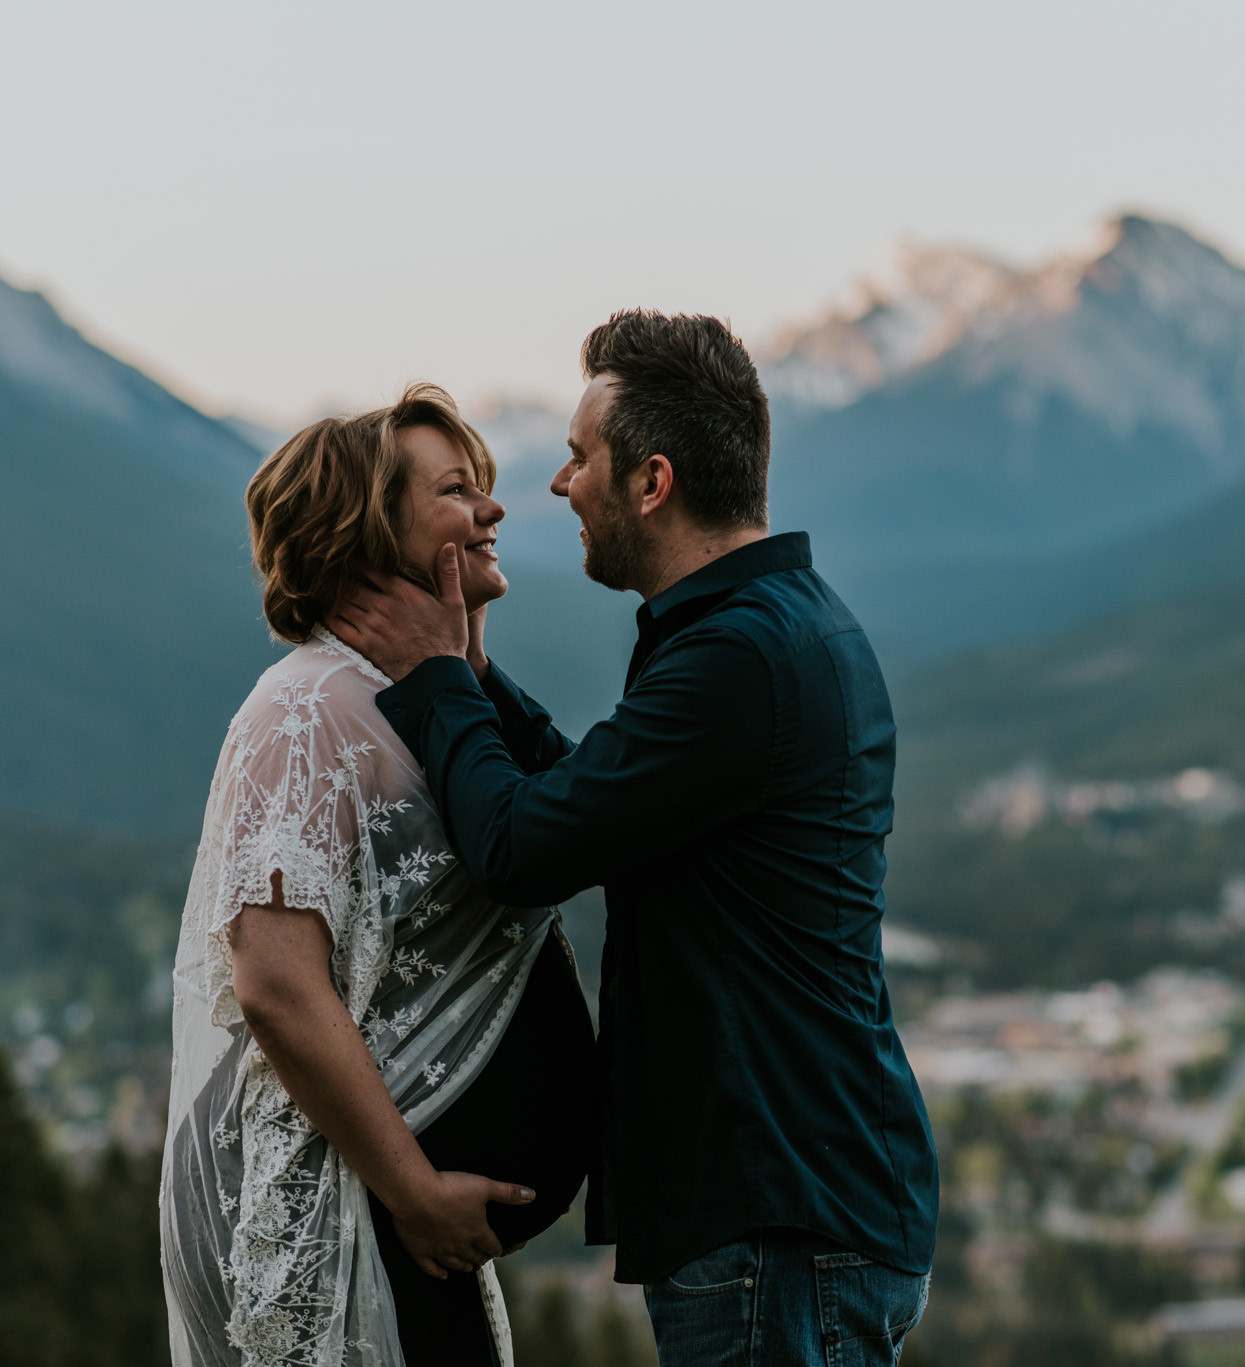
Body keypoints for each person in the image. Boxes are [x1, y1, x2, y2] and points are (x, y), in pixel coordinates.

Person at [332, 312, 939, 1366]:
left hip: (773, 1211)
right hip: (789, 1194)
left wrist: (433, 677)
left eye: (579, 457)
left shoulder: (737, 657)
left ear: (651, 482)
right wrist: (472, 676)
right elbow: (599, 793)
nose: (554, 486)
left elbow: (524, 846)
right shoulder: (768, 626)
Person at [160, 384, 596, 1367]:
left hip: (404, 1226)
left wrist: (465, 668)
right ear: (365, 530)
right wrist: (412, 1185)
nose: (491, 509)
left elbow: (552, 822)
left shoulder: (427, 702)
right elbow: (274, 982)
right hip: (354, 1207)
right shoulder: (304, 711)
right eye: (455, 490)